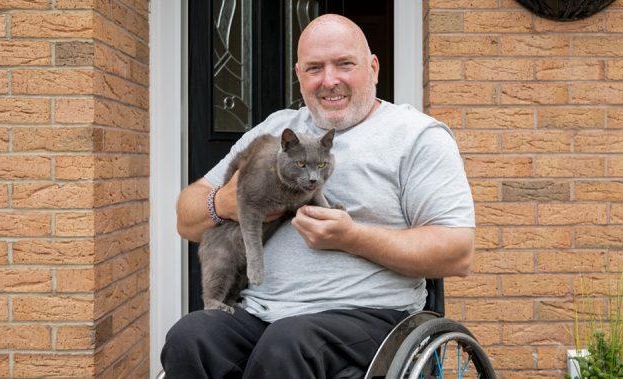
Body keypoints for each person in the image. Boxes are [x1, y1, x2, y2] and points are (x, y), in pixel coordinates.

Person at [163, 14, 475, 378]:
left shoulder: (416, 136)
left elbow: (458, 251)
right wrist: (224, 203)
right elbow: (186, 217)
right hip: (262, 312)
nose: (330, 80)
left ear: (373, 68)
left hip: (367, 316)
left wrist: (352, 237)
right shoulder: (275, 132)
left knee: (287, 343)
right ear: (299, 76)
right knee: (190, 336)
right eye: (314, 68)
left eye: (344, 64)